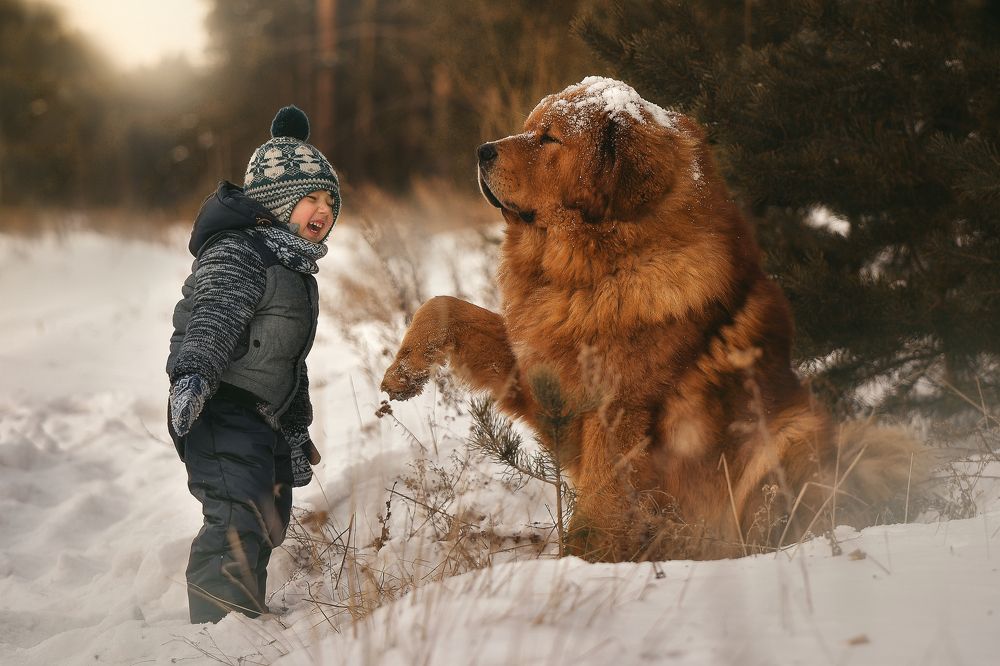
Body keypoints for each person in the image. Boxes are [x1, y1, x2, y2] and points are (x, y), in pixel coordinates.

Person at [165, 105, 341, 624]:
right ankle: (218, 629)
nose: (324, 209)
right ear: (277, 202)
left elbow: (288, 359)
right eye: (310, 197)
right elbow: (213, 315)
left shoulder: (293, 266)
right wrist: (193, 375)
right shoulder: (242, 252)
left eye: (331, 200)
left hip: (262, 416)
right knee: (235, 516)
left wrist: (294, 426)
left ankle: (243, 614)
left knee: (269, 517)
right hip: (220, 407)